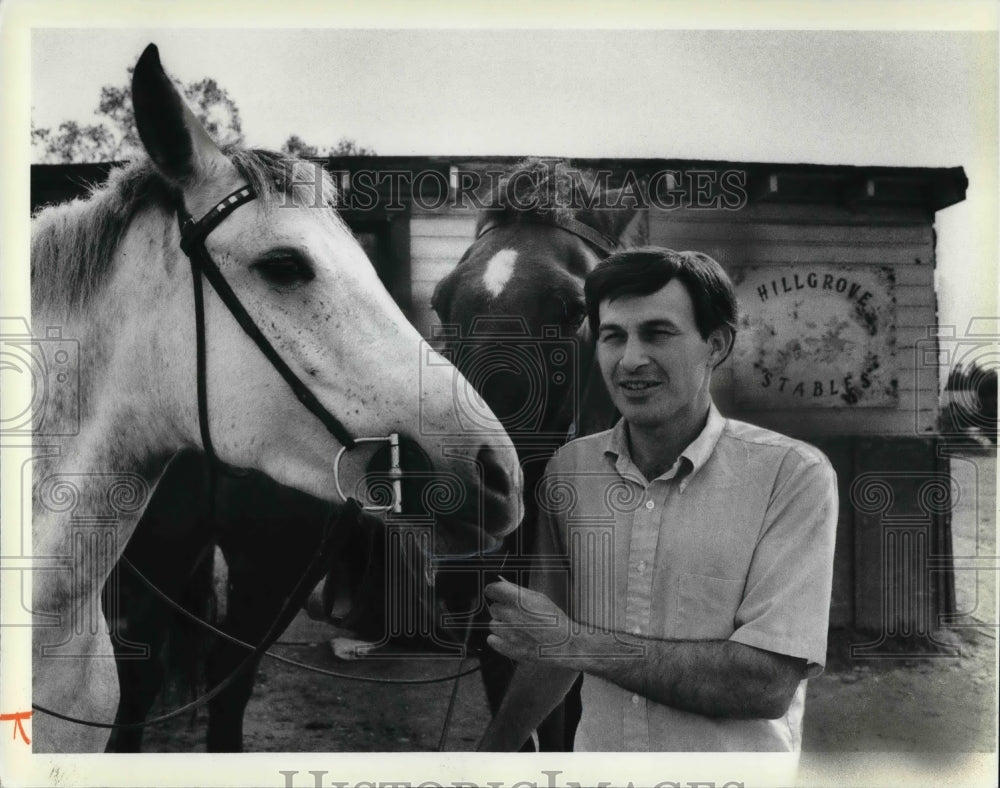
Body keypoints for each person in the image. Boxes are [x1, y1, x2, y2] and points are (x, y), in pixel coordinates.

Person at [478, 247, 838, 752]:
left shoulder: (792, 475)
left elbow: (766, 682)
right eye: (613, 336)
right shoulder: (570, 471)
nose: (630, 360)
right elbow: (548, 648)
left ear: (716, 344)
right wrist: (490, 755)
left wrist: (574, 642)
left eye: (658, 333)